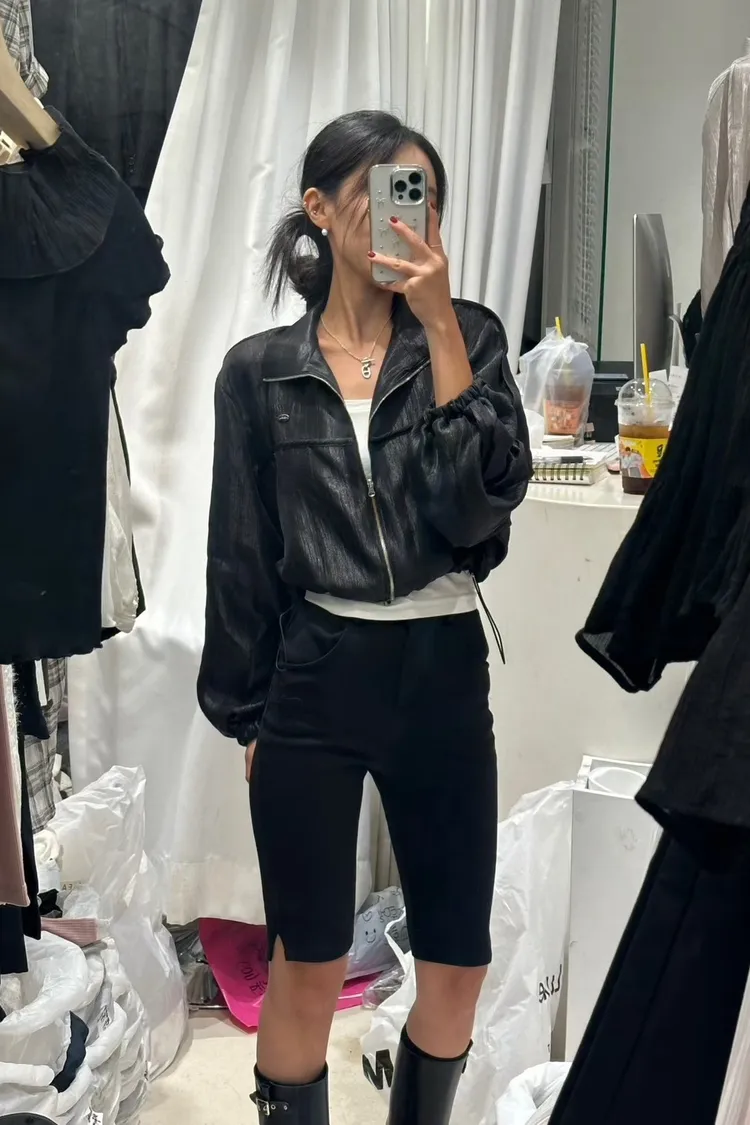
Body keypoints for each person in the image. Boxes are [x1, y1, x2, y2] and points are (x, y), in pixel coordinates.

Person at [198, 110, 531, 1125]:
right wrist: (248, 717)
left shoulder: (469, 336)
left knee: (458, 963)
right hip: (317, 672)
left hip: (441, 666)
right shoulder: (258, 372)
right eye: (386, 190)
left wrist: (439, 325)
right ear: (320, 207)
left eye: (421, 197)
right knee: (308, 960)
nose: (405, 217)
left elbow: (478, 510)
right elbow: (241, 553)